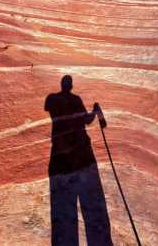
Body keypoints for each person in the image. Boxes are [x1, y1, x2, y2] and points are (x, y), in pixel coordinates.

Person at [45, 75, 113, 246]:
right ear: (71, 85)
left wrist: (94, 113)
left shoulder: (52, 99)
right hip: (83, 161)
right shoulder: (74, 100)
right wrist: (96, 111)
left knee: (63, 224)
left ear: (63, 84)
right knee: (95, 218)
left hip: (60, 164)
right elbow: (86, 120)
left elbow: (52, 110)